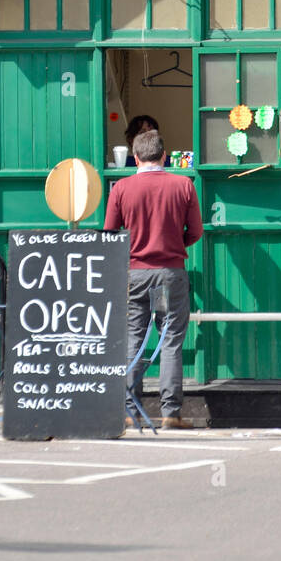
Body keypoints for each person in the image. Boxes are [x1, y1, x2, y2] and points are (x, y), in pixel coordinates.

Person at [103, 128, 204, 429]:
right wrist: (173, 245)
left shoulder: (121, 188)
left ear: (135, 158)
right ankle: (171, 413)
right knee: (170, 340)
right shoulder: (183, 185)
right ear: (164, 155)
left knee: (134, 337)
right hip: (169, 274)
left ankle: (129, 410)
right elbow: (196, 231)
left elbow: (110, 234)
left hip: (135, 274)